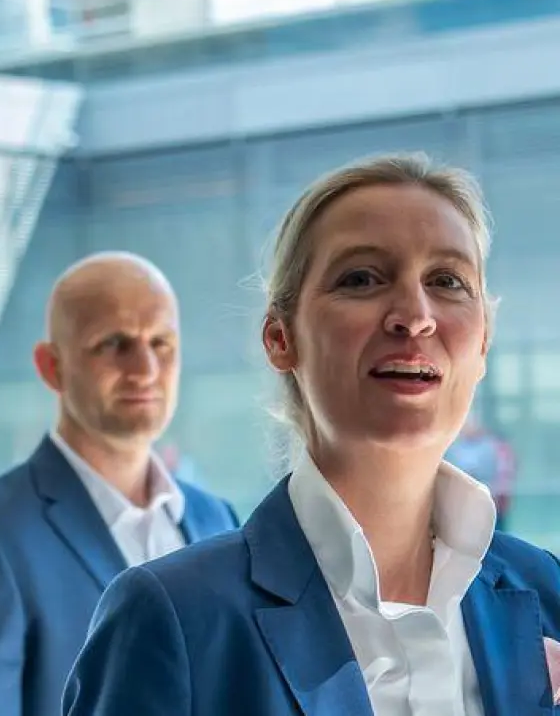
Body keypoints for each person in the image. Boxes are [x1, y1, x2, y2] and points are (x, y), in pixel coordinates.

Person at [64, 153, 560, 716]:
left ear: (484, 341)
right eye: (362, 278)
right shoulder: (174, 618)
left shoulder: (541, 589)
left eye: (446, 281)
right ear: (280, 337)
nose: (414, 315)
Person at [0, 252, 239, 716]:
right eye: (114, 344)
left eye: (161, 343)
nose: (145, 369)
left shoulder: (218, 520)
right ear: (51, 366)